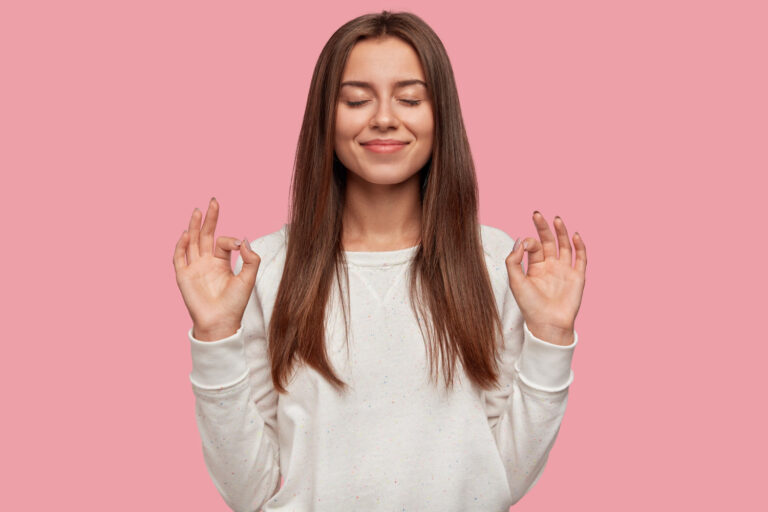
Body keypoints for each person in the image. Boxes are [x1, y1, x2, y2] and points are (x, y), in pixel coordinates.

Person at [173, 10, 586, 512]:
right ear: (326, 116)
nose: (385, 117)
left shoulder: (498, 265)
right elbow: (248, 489)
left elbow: (500, 477)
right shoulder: (270, 269)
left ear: (442, 116)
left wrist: (551, 336)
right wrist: (215, 333)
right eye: (356, 100)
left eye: (410, 98)